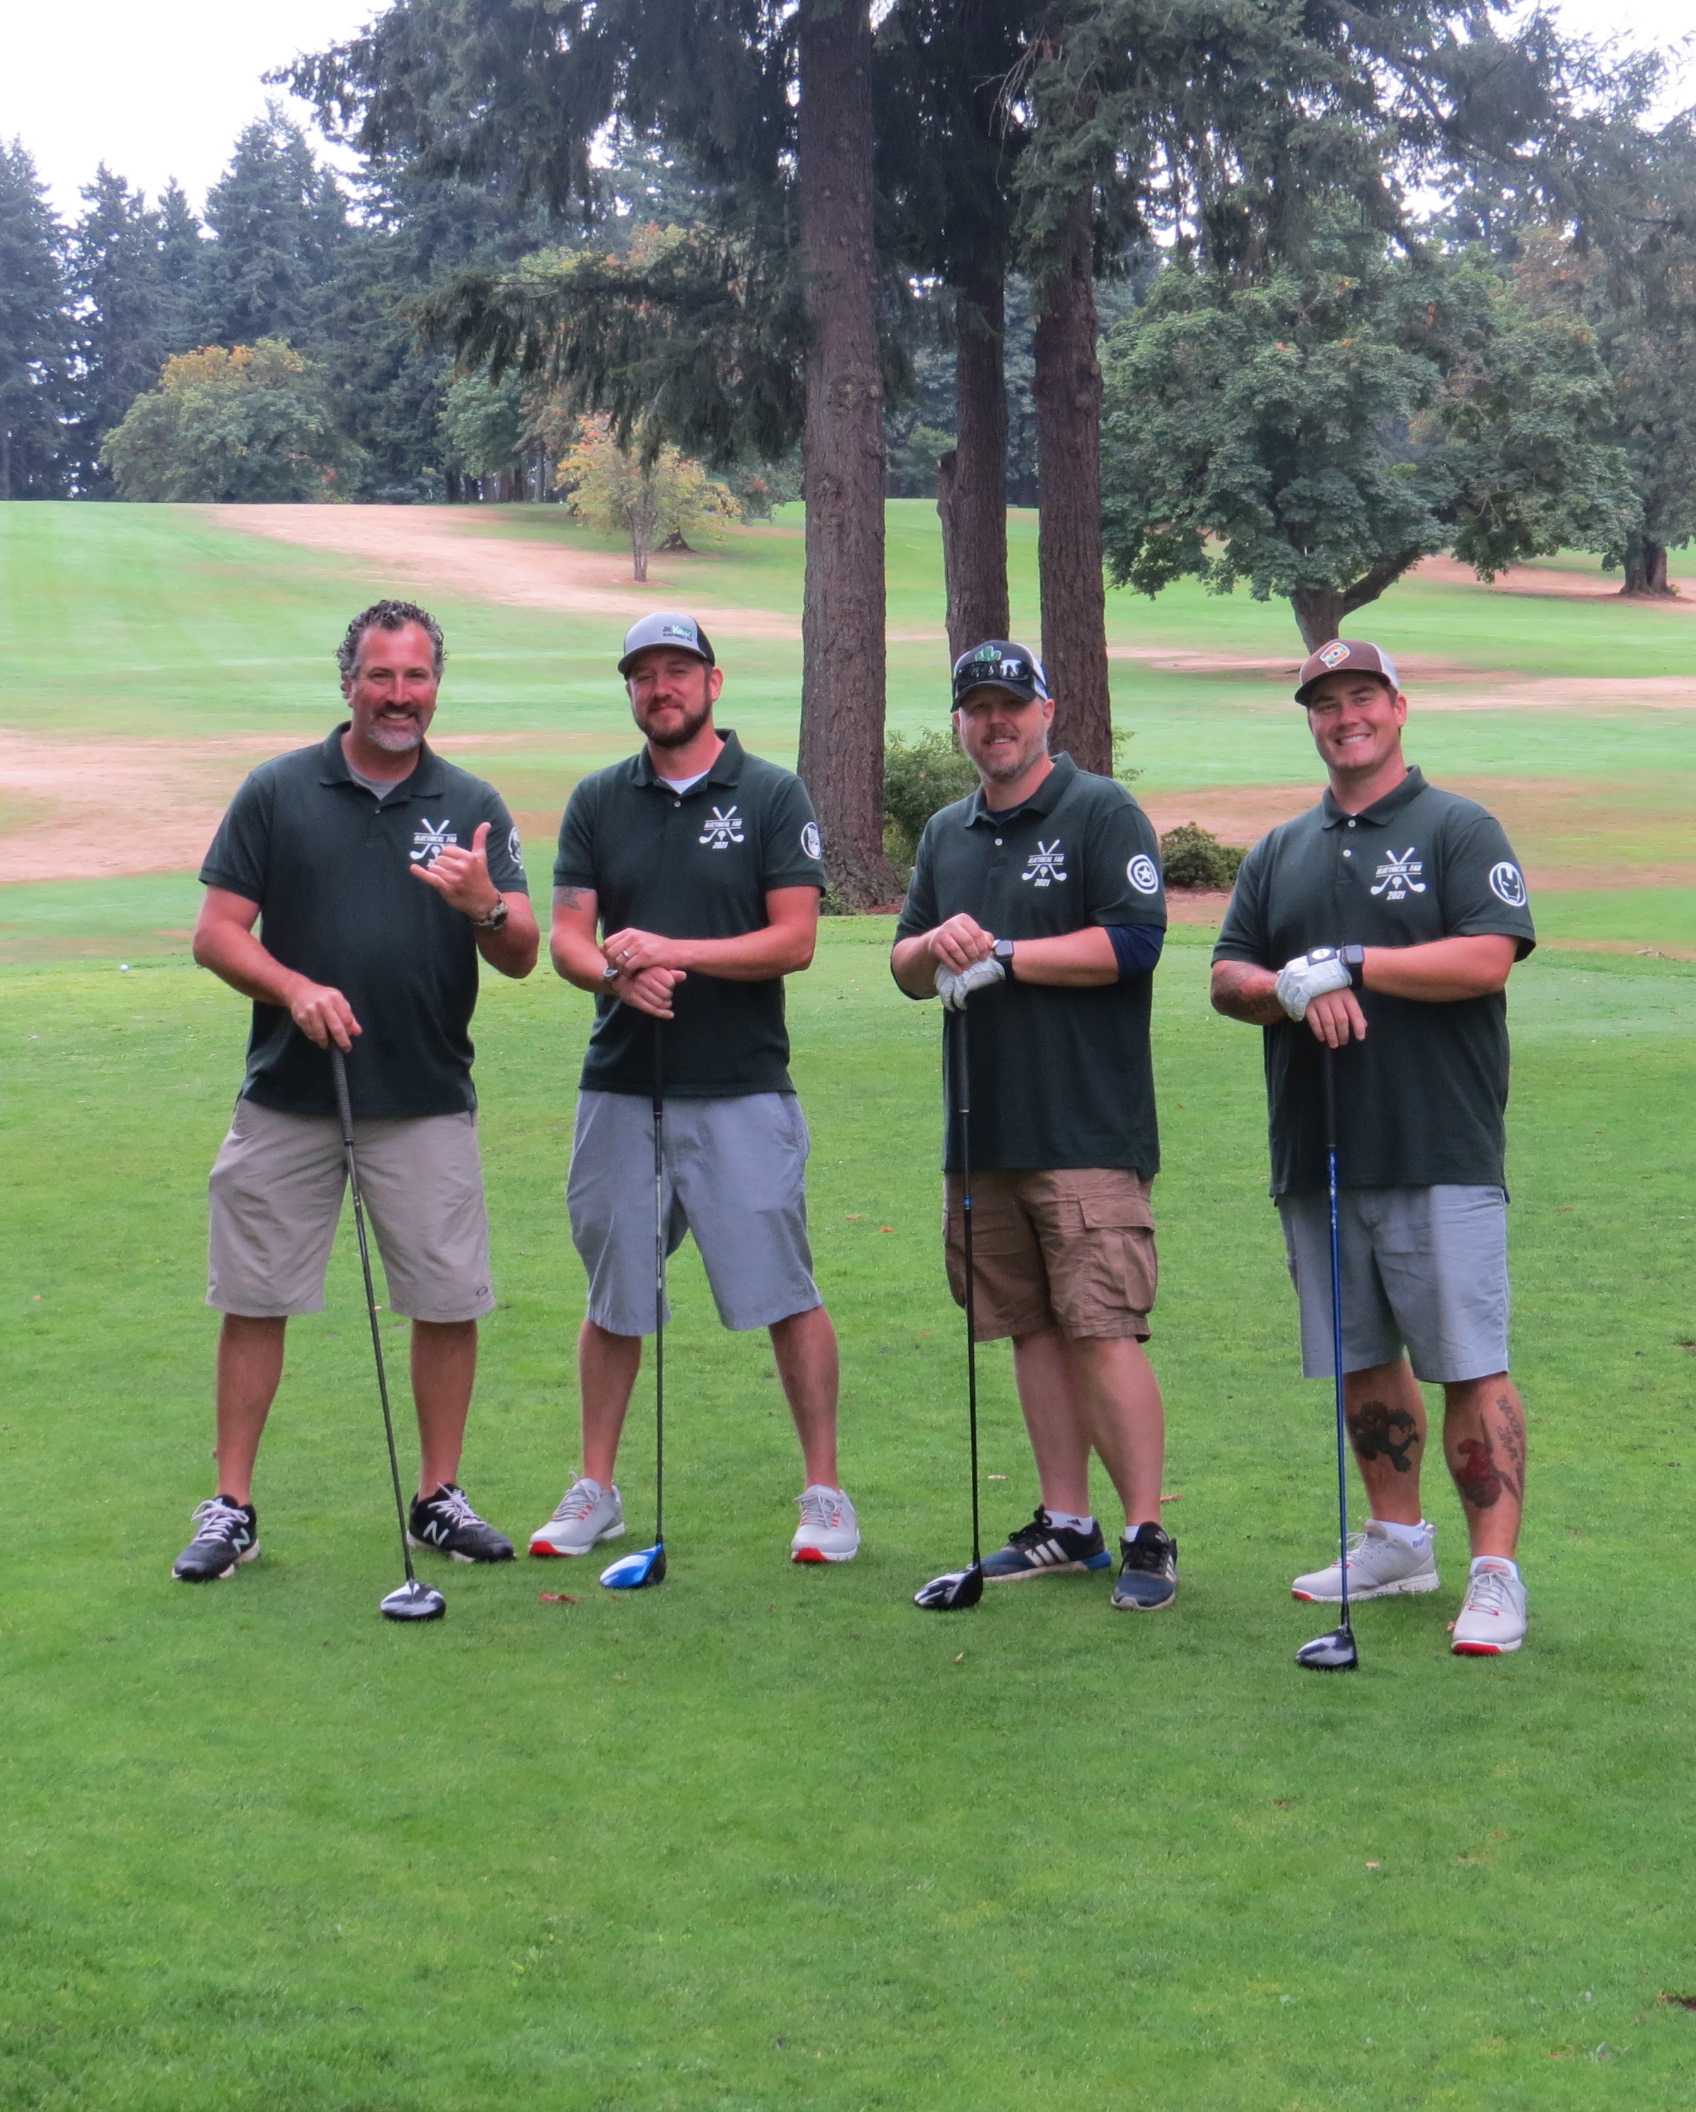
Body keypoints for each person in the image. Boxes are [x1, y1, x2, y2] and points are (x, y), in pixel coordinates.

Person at [173, 599, 539, 1583]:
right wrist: (292, 988)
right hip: (288, 1094)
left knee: (445, 1299)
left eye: (416, 676)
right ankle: (232, 1507)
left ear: (436, 686)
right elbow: (216, 933)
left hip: (423, 1094)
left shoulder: (471, 802)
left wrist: (485, 905)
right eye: (381, 675)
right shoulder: (278, 791)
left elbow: (520, 954)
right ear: (350, 683)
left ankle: (438, 1498)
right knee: (254, 1296)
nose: (399, 694)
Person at [1210, 638, 1537, 1655]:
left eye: (1361, 696)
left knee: (1467, 1363)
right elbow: (1226, 977)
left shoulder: (1457, 827)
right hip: (1318, 1146)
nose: (1343, 716)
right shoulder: (1281, 849)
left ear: (1398, 706)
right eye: (1325, 703)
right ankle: (1397, 1544)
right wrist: (1285, 987)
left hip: (1437, 1141)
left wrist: (1352, 961)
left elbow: (1487, 958)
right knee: (1360, 1359)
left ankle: (1495, 1575)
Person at [533, 611, 858, 1565]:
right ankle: (596, 1490)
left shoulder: (771, 793)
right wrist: (613, 975)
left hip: (741, 1085)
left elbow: (795, 939)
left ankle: (826, 1494)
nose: (661, 687)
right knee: (614, 1292)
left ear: (713, 682)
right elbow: (567, 938)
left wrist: (673, 951)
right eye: (644, 674)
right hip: (620, 1084)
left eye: (678, 670)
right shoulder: (599, 800)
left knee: (785, 1290)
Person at [890, 640, 1177, 1611]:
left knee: (1102, 1329)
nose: (994, 721)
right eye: (977, 707)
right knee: (1028, 1329)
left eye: (1010, 704)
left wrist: (1004, 953)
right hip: (985, 1130)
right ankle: (1067, 1523)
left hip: (1086, 1126)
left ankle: (1146, 1533)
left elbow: (1134, 941)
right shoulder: (948, 833)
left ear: (1046, 711)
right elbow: (904, 964)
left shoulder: (1100, 811)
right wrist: (934, 947)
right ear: (960, 723)